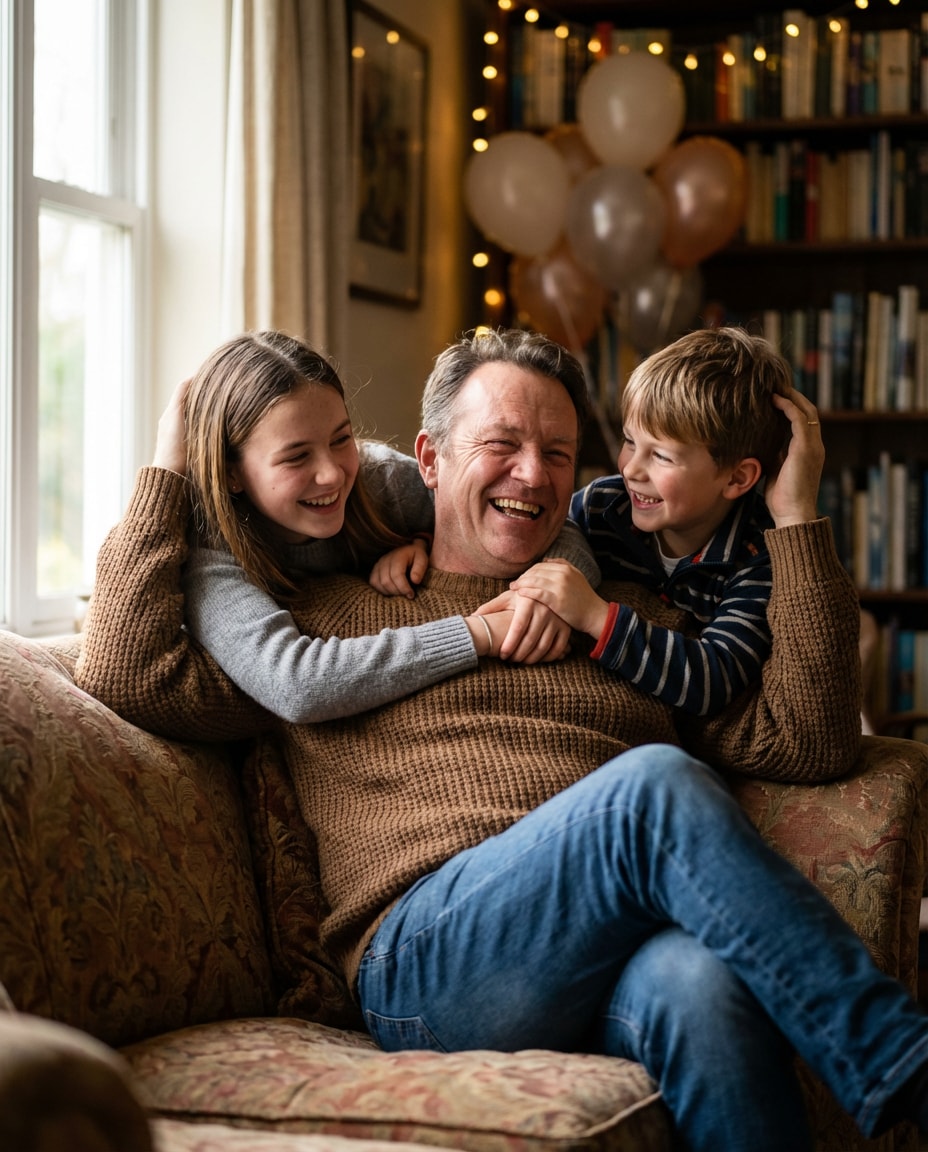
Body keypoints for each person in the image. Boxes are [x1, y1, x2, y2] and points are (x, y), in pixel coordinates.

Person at [75, 327, 928, 1152]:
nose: (533, 474)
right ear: (431, 459)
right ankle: (902, 1060)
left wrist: (796, 520)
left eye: (559, 453)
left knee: (700, 985)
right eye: (503, 444)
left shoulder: (622, 626)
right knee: (652, 788)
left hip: (599, 956)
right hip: (427, 960)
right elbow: (127, 674)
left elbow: (812, 747)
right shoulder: (323, 624)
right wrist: (166, 475)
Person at [172, 330, 599, 723]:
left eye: (341, 440)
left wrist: (552, 593)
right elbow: (297, 685)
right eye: (296, 457)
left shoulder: (378, 483)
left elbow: (552, 521)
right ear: (231, 473)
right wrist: (480, 631)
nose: (333, 475)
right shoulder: (211, 549)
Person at [502, 326, 792, 717]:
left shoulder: (758, 557)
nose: (630, 469)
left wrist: (595, 615)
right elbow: (539, 539)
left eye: (662, 456)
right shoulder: (603, 506)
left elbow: (713, 681)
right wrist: (412, 540)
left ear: (737, 478)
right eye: (630, 442)